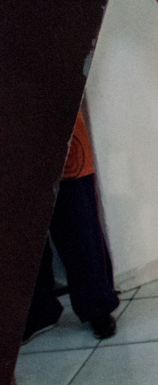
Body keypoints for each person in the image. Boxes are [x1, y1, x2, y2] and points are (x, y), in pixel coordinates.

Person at [24, 109, 119, 342]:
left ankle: (96, 305)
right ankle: (37, 310)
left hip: (54, 106)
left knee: (77, 214)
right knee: (21, 222)